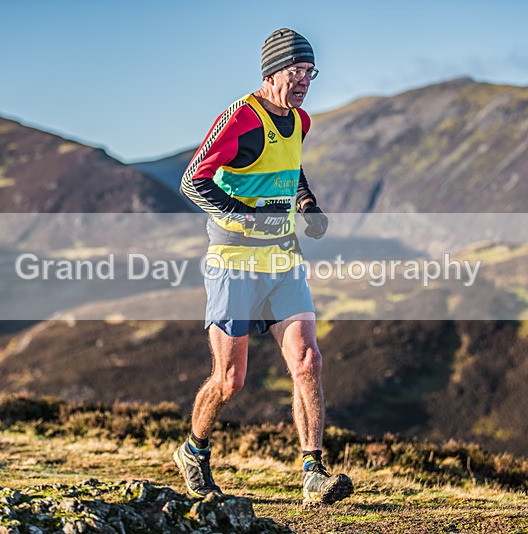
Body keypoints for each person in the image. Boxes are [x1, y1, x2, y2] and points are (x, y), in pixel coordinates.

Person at [176, 28, 353, 506]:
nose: (304, 81)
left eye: (310, 73)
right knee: (229, 380)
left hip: (283, 260)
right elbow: (193, 181)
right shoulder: (241, 118)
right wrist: (242, 214)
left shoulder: (300, 122)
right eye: (297, 72)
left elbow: (291, 167)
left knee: (308, 360)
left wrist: (308, 203)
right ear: (272, 73)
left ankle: (313, 473)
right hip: (234, 261)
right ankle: (193, 452)